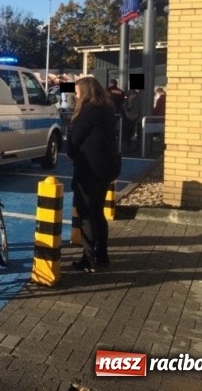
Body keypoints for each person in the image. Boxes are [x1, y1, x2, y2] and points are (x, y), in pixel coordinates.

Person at [67, 76, 119, 273]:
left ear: (85, 92)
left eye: (78, 93)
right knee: (98, 213)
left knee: (86, 213)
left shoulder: (87, 111)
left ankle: (89, 259)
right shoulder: (107, 109)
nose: (76, 96)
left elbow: (75, 139)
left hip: (89, 169)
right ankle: (102, 255)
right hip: (107, 168)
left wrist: (70, 154)